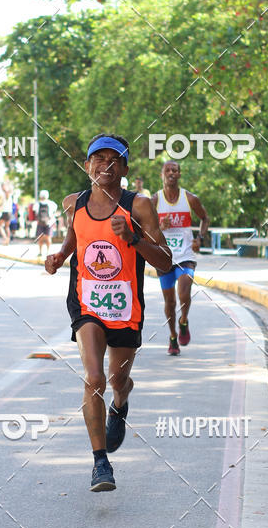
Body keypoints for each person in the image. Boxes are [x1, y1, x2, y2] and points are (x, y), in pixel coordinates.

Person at [45, 134, 172, 491]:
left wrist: (134, 237)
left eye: (113, 159)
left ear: (125, 168)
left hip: (125, 307)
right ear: (87, 166)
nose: (105, 165)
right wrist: (58, 257)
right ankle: (101, 463)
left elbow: (165, 263)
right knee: (94, 378)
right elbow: (75, 239)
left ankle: (121, 401)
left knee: (116, 380)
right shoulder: (75, 203)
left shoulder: (140, 206)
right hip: (86, 304)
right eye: (98, 159)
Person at [152, 160, 209, 356]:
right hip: (164, 257)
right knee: (169, 302)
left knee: (184, 290)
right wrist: (160, 225)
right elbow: (144, 228)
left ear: (179, 174)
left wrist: (199, 238)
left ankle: (183, 319)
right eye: (167, 170)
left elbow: (205, 218)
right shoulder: (154, 200)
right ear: (162, 174)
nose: (171, 173)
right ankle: (173, 336)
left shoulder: (190, 199)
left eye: (174, 170)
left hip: (185, 254)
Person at [33, 189, 58, 257]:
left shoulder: (37, 204)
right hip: (49, 223)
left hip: (40, 223)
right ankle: (48, 252)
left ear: (40, 196)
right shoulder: (52, 203)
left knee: (40, 238)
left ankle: (40, 252)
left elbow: (35, 213)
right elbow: (55, 212)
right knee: (48, 238)